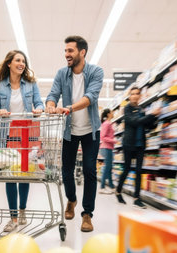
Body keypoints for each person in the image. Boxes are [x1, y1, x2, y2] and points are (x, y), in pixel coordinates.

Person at [46, 35, 103, 232]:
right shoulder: (62, 74)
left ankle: (87, 214)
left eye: (70, 51)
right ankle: (71, 199)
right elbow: (53, 95)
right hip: (69, 131)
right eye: (65, 51)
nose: (66, 54)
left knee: (89, 171)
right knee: (66, 171)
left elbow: (91, 97)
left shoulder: (96, 71)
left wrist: (68, 108)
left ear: (82, 52)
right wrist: (51, 105)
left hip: (90, 131)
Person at [0, 50, 44, 232]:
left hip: (28, 133)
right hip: (9, 134)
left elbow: (39, 103)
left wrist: (38, 108)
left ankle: (22, 211)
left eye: (23, 61)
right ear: (9, 63)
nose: (21, 63)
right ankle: (13, 217)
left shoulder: (30, 84)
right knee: (10, 176)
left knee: (25, 173)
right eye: (18, 60)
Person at [115, 87, 160, 208]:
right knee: (127, 168)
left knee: (139, 171)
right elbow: (135, 122)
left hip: (140, 144)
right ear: (129, 96)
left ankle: (136, 198)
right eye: (132, 94)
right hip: (129, 143)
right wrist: (151, 115)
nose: (135, 96)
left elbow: (148, 126)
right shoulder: (127, 109)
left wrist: (155, 118)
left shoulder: (141, 110)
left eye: (137, 94)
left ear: (140, 96)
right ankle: (118, 191)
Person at [99, 108, 117, 194]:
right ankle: (102, 187)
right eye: (112, 112)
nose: (113, 113)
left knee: (109, 168)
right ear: (109, 114)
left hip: (108, 148)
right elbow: (103, 137)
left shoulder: (109, 123)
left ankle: (111, 186)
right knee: (107, 168)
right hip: (106, 148)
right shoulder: (106, 124)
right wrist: (114, 140)